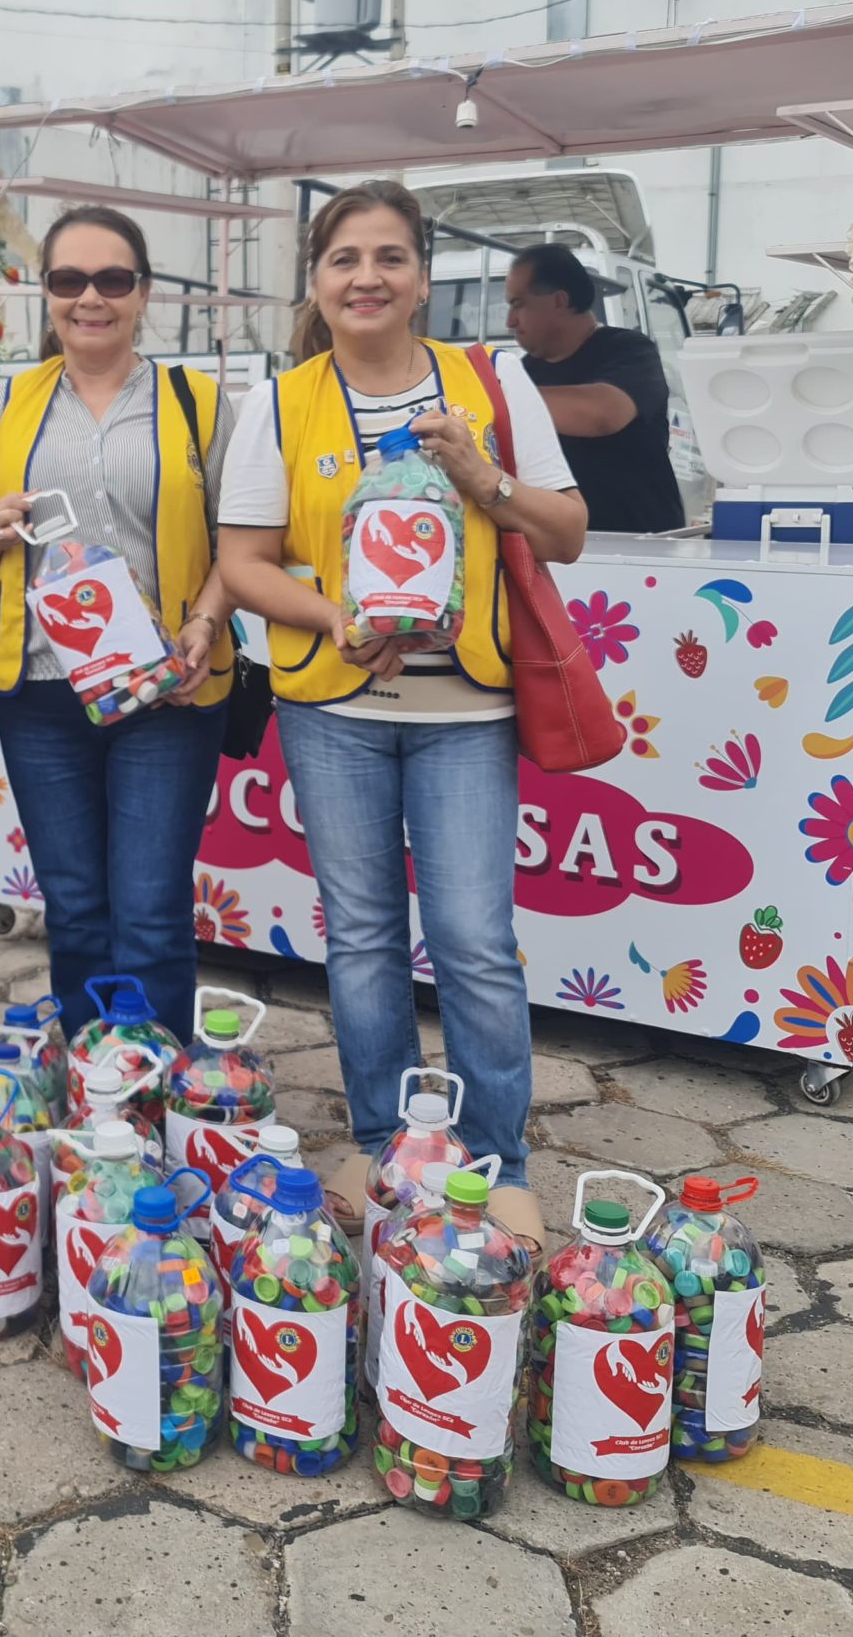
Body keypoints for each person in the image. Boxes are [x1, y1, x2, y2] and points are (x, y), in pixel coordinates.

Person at [216, 179, 585, 1249]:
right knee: (365, 936)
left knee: (472, 939)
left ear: (423, 277)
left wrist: (482, 474)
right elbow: (243, 564)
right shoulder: (283, 403)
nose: (365, 278)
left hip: (464, 706)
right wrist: (330, 616)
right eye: (344, 260)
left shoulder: (493, 382)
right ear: (316, 282)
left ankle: (498, 1161)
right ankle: (390, 1146)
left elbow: (563, 531)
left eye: (388, 258)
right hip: (333, 705)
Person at [0, 205, 235, 1041]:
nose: (90, 299)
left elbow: (247, 543)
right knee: (73, 910)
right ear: (47, 295)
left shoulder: (200, 405)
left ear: (144, 293)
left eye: (113, 279)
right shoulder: (5, 404)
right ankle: (91, 1093)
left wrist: (207, 622)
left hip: (166, 692)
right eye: (69, 280)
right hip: (40, 694)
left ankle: (156, 1091)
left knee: (148, 914)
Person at [504, 241, 684, 533]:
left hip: (640, 548)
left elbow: (602, 414)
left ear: (559, 301)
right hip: (556, 546)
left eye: (518, 304)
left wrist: (498, 394)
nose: (510, 321)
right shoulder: (523, 372)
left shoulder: (630, 350)